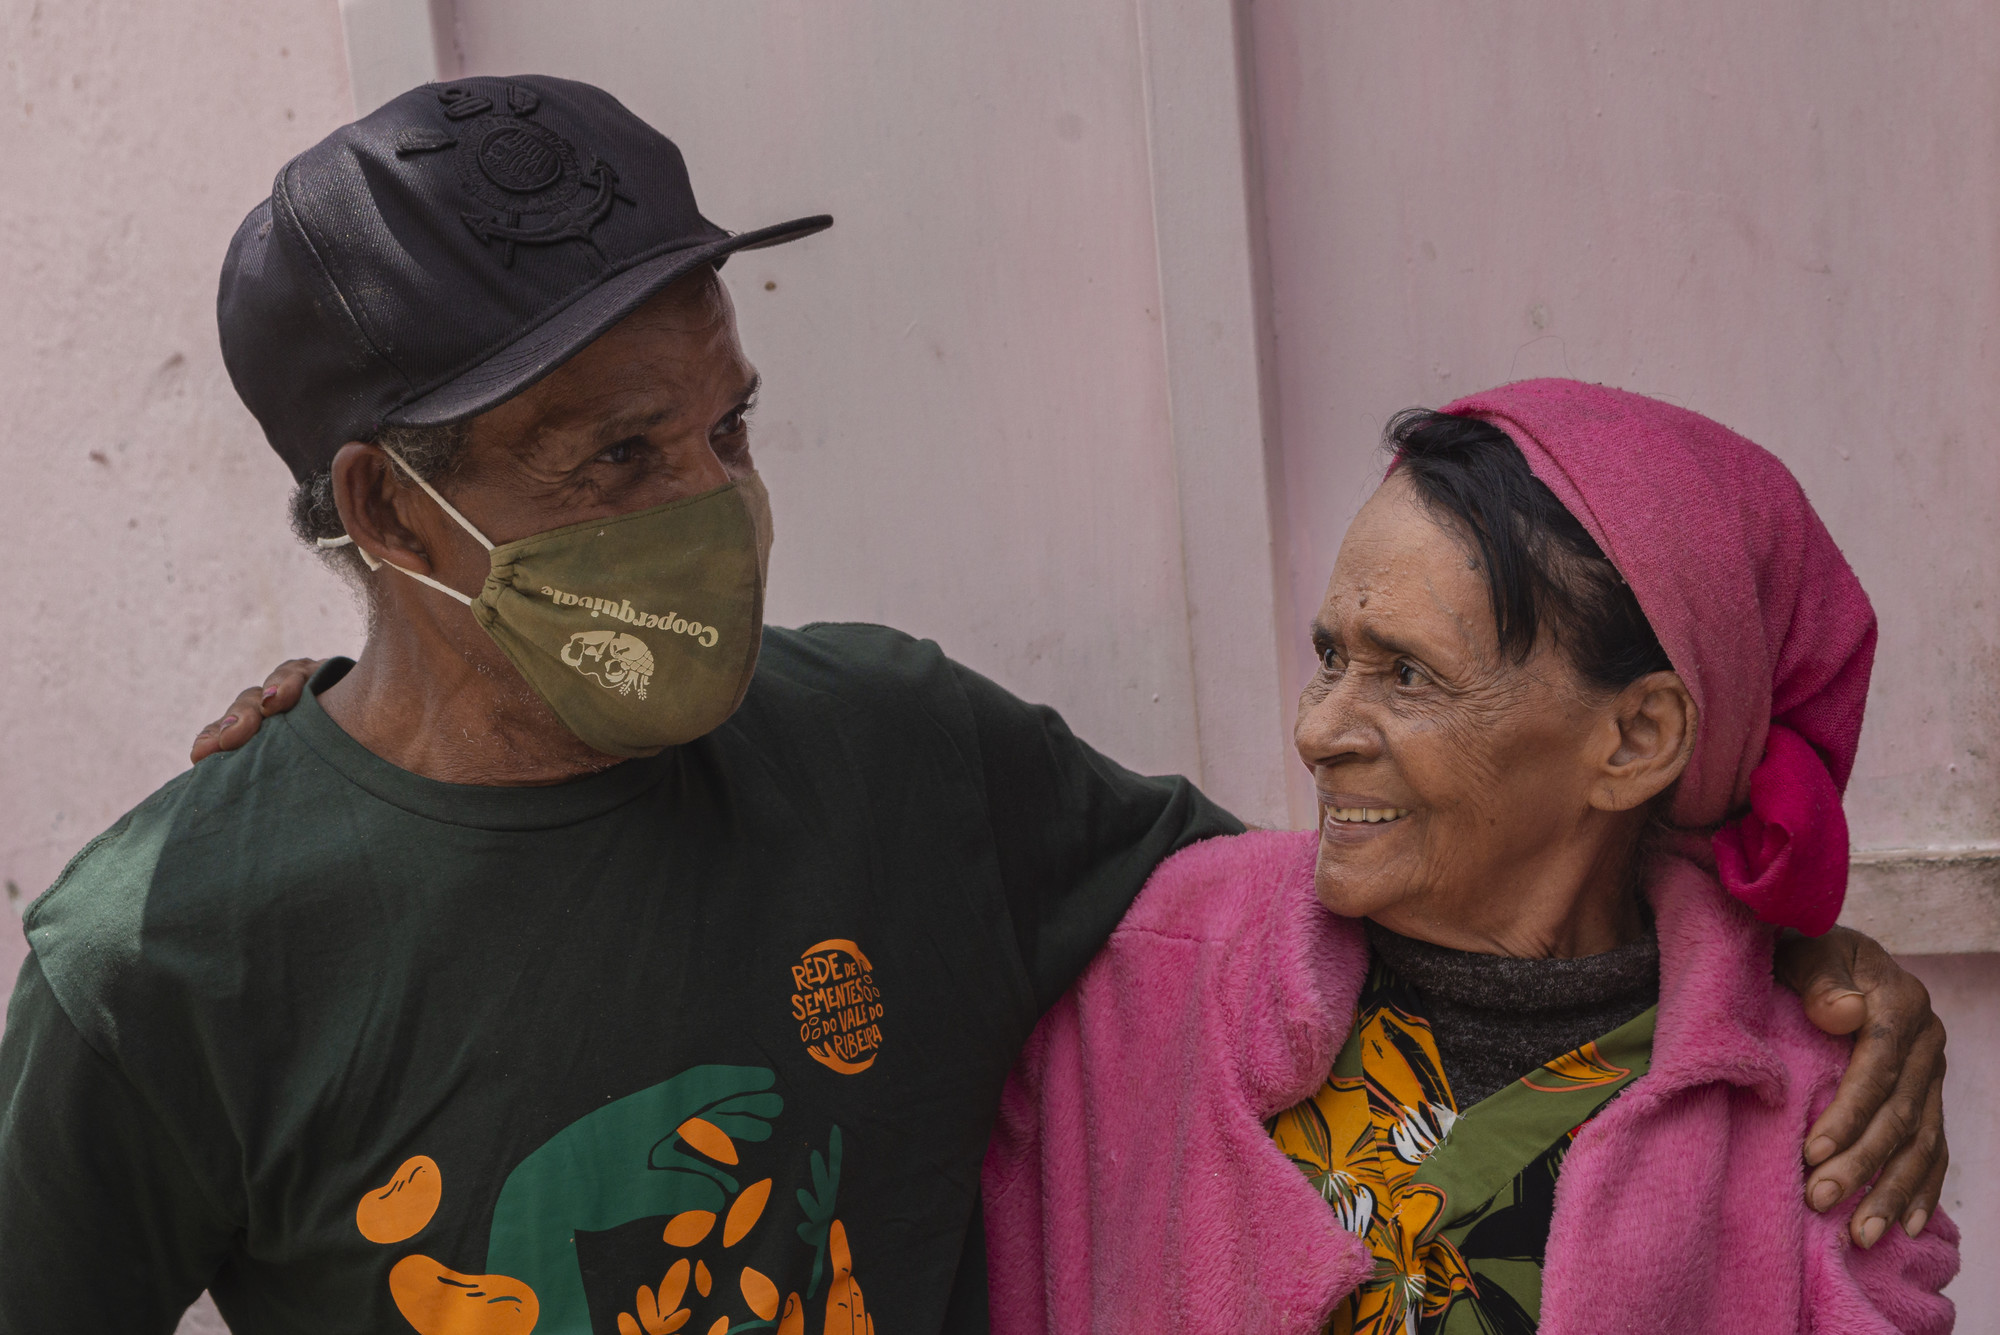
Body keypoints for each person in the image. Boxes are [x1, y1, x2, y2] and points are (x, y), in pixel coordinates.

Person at [0, 70, 1942, 1333]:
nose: (716, 507)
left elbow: (1403, 899)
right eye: (610, 460)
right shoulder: (168, 949)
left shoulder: (899, 752)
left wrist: (1781, 952)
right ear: (384, 508)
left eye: (730, 422)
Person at [982, 383, 1960, 1333]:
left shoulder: (1825, 1122)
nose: (1319, 730)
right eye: (1330, 658)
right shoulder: (1151, 968)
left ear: (1635, 738)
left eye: (1406, 675)